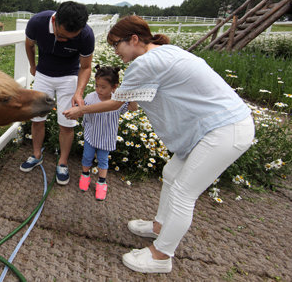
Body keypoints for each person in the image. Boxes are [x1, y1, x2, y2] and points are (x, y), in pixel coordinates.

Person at [63, 15, 254, 273]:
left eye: (116, 44)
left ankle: (161, 256)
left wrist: (81, 111)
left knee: (183, 193)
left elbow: (117, 102)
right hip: (213, 128)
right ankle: (159, 227)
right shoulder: (165, 52)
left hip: (223, 129)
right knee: (171, 173)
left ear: (133, 39)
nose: (116, 51)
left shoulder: (147, 63)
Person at [20, 1, 95, 185]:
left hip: (69, 77)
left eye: (70, 38)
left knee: (67, 122)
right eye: (61, 35)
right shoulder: (37, 22)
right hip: (43, 74)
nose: (63, 40)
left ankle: (62, 163)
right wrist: (32, 66)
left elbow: (85, 67)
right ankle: (37, 155)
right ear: (55, 20)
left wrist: (79, 91)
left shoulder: (86, 35)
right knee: (37, 118)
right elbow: (29, 45)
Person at [79, 65, 137, 201]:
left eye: (103, 87)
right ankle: (85, 175)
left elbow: (133, 108)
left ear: (114, 87)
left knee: (103, 160)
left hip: (106, 138)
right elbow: (81, 109)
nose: (98, 90)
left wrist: (131, 94)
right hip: (91, 134)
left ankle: (101, 183)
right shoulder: (91, 97)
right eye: (97, 85)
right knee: (87, 157)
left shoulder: (118, 101)